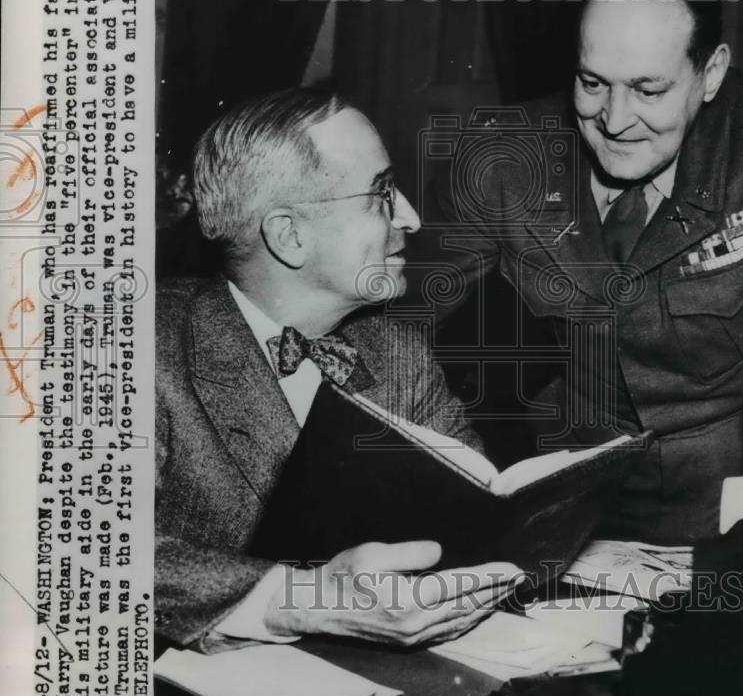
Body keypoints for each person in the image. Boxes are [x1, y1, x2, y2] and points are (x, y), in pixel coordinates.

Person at [412, 0, 743, 545]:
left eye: (648, 90)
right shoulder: (502, 156)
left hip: (720, 512)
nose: (615, 119)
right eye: (592, 83)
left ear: (710, 74)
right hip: (559, 501)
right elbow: (405, 323)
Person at [155, 88, 519, 652]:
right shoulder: (131, 348)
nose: (412, 217)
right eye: (380, 194)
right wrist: (302, 602)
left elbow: (472, 522)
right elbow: (78, 550)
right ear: (289, 236)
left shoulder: (398, 355)